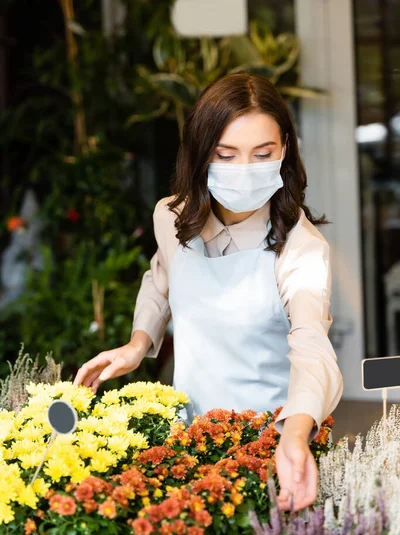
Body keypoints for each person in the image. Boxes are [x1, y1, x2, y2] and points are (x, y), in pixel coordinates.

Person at [74, 73, 343, 512]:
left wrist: (295, 432)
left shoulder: (301, 248)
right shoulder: (172, 217)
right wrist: (138, 343)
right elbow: (160, 279)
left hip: (269, 445)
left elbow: (314, 347)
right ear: (202, 153)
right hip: (189, 440)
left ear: (285, 150)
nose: (244, 169)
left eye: (262, 154)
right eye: (226, 153)